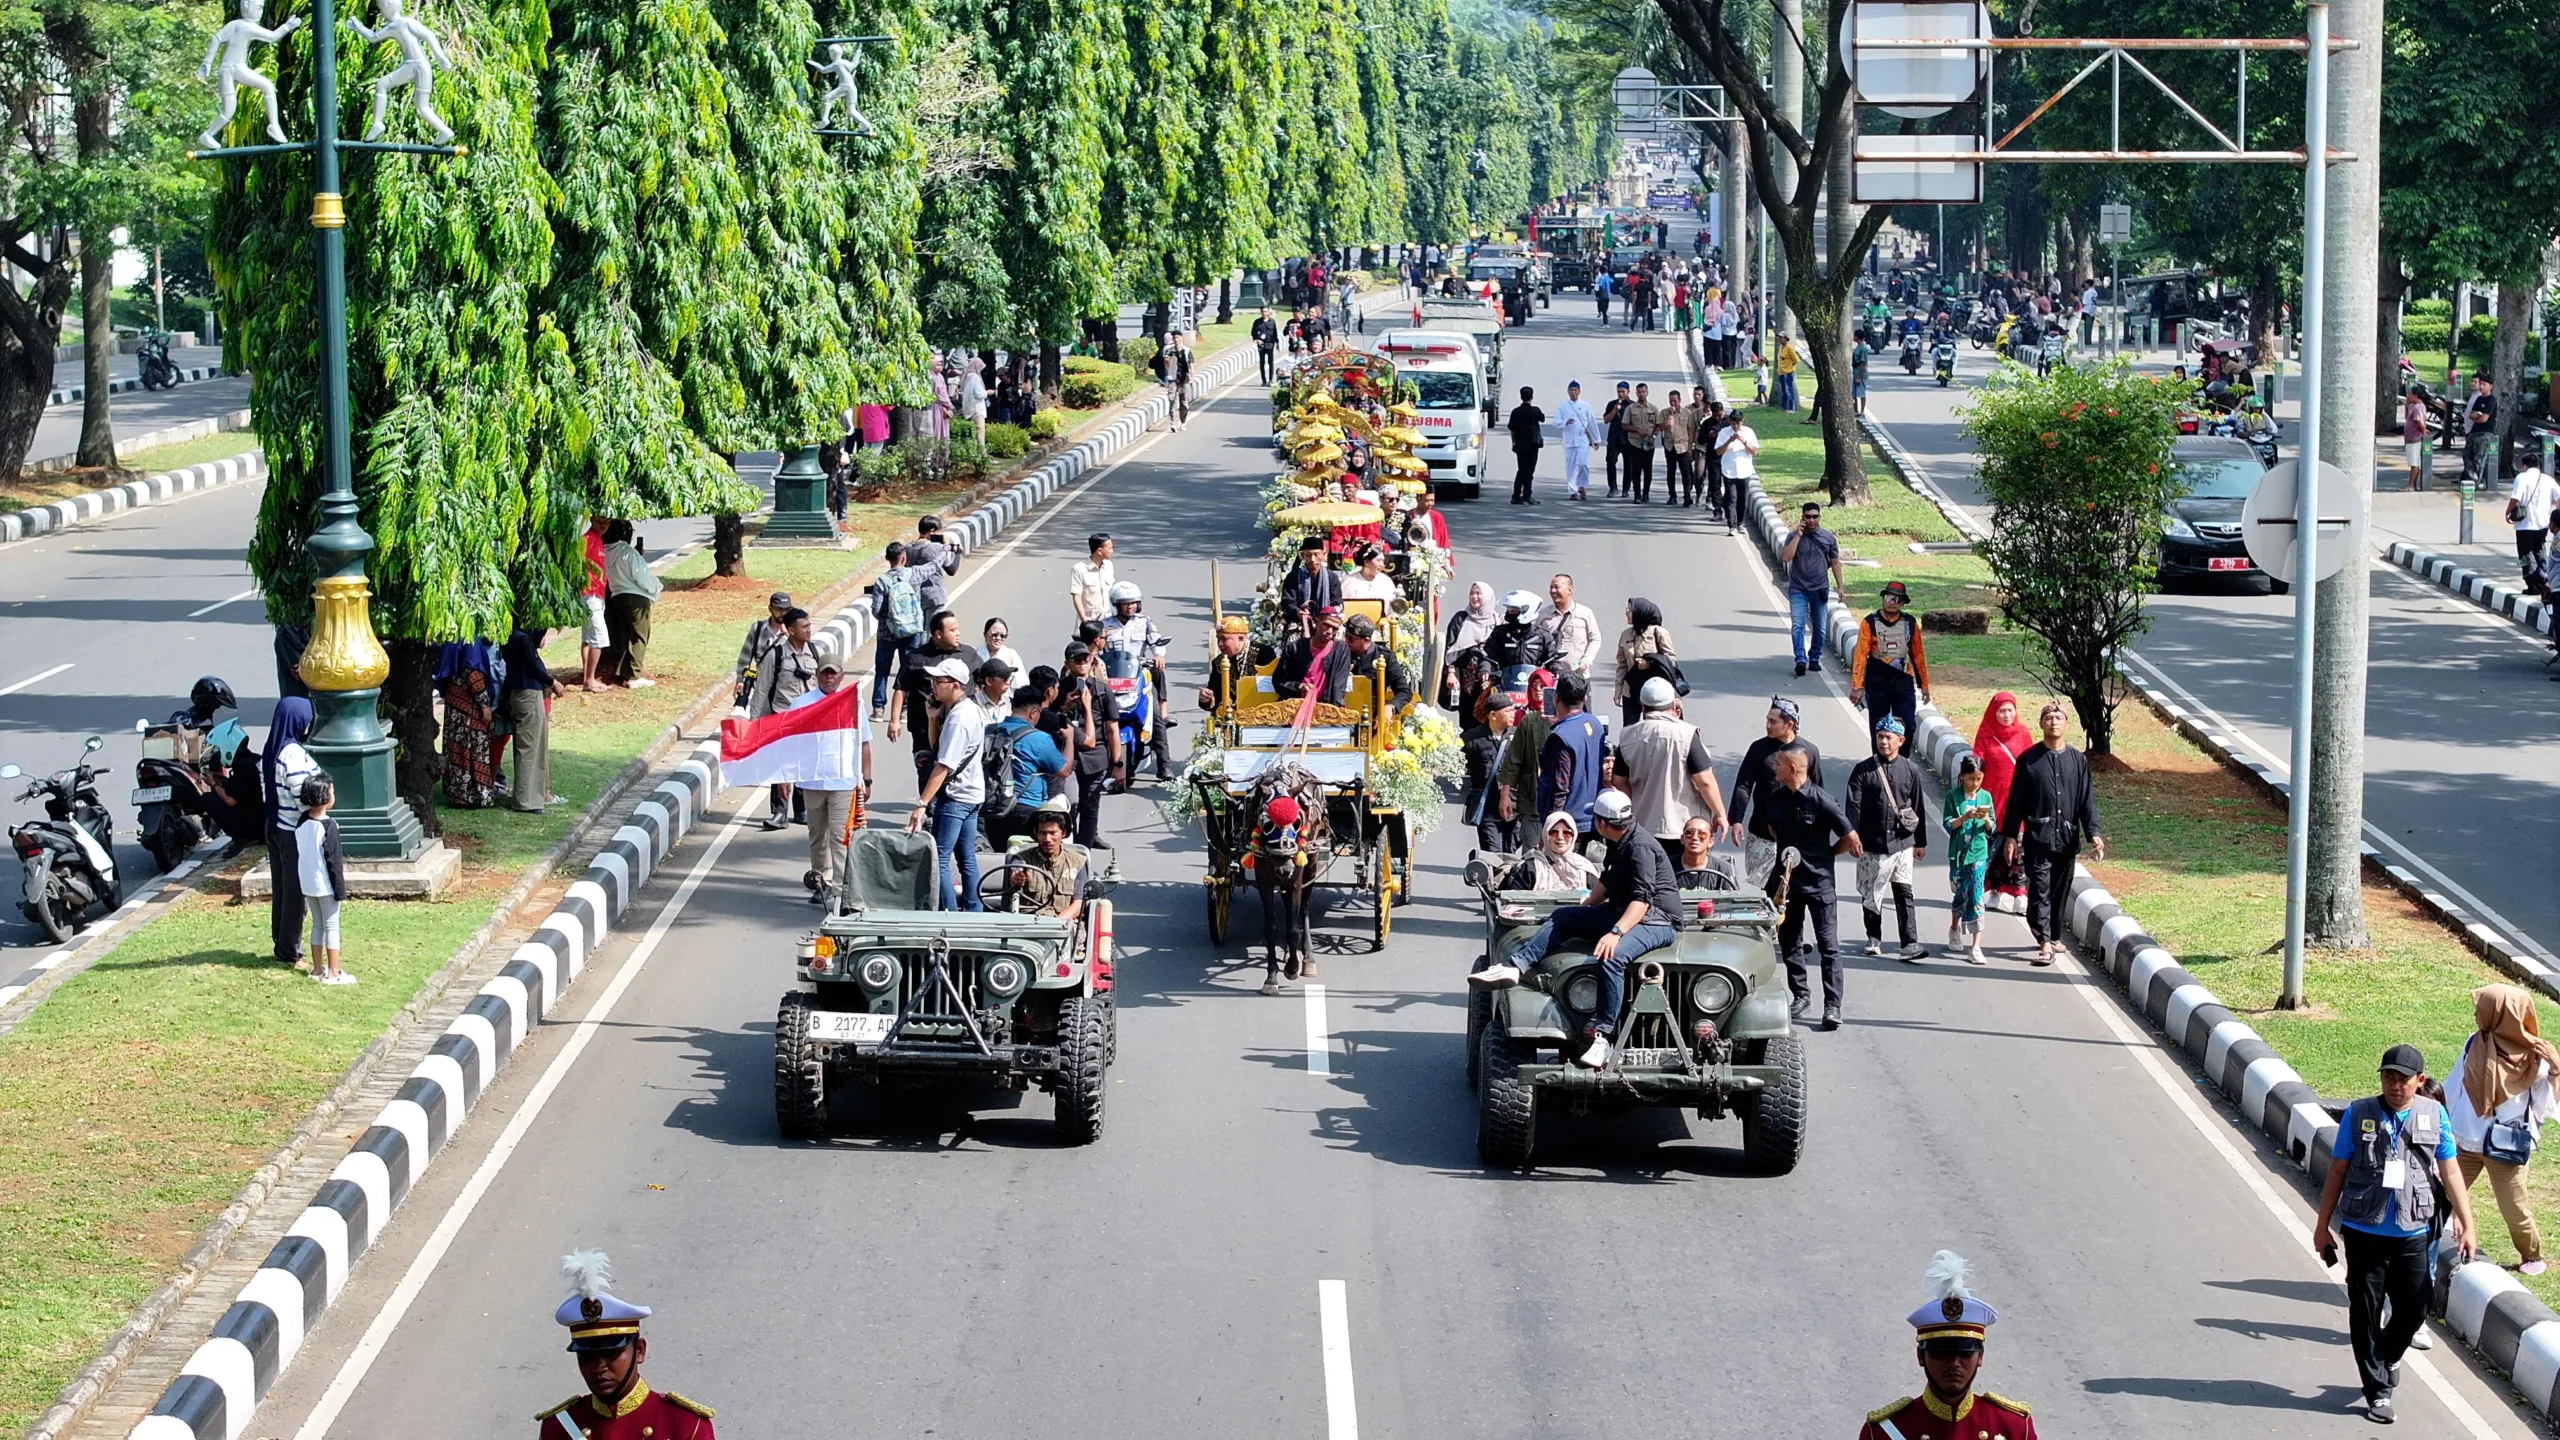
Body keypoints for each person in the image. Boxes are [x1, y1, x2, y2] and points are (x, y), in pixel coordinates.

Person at [2312, 1044, 2478, 1425]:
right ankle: (2378, 1391)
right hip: (2364, 1231)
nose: (2395, 1085)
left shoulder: (2434, 1115)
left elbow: (2450, 1171)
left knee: (2417, 1305)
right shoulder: (2358, 1114)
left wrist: (2468, 1223)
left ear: (2420, 1081)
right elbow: (2337, 1171)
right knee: (2364, 1311)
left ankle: (2387, 1353)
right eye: (2388, 1076)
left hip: (2413, 1230)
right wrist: (2322, 1227)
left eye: (2403, 1079)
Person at [1469, 789, 1678, 1069]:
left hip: (1657, 920)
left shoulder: (1640, 848)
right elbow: (1607, 881)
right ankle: (1516, 967)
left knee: (1612, 957)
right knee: (1564, 917)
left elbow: (1642, 901)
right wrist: (1586, 908)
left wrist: (1615, 933)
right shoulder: (1620, 839)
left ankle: (1603, 1038)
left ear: (1601, 823)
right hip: (1623, 911)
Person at [1857, 1251, 2037, 1440]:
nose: (1954, 1363)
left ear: (1980, 1356)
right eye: (1941, 1353)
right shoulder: (1884, 1432)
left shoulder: (2014, 1428)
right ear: (1920, 1356)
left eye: (1965, 1352)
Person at [539, 1250, 717, 1440]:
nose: (599, 1367)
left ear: (639, 1351)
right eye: (587, 1357)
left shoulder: (685, 1425)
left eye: (611, 1354)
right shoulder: (559, 1427)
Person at [2446, 984, 2559, 1276]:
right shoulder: (2475, 1042)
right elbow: (2454, 1086)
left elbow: (2546, 1105)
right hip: (2466, 1138)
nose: (2476, 1015)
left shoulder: (2535, 1055)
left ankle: (2532, 1255)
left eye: (2481, 1009)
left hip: (2505, 1146)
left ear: (2500, 1014)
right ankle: (2430, 1239)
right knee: (2442, 1194)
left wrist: (2556, 1068)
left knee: (2514, 1208)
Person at [1748, 745, 1860, 1029]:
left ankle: (1832, 1005)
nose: (1774, 768)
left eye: (1779, 764)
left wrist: (1827, 854)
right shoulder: (1776, 798)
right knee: (1789, 940)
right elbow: (1773, 829)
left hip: (1819, 883)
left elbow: (1850, 837)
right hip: (1787, 885)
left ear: (1794, 768)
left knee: (1828, 944)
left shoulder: (1822, 801)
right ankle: (1800, 994)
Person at [1997, 701, 2105, 965]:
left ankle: (2054, 936)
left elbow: (2086, 800)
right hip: (2038, 838)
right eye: (2048, 717)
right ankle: (2044, 941)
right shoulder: (2028, 760)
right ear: (2041, 724)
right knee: (2040, 890)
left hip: (2067, 840)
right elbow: (2016, 802)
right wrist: (2010, 836)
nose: (2054, 721)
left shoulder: (2077, 760)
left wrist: (2093, 833)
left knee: (2059, 891)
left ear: (2067, 724)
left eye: (2058, 717)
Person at [1611, 677, 1727, 863]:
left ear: (1643, 707)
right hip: (1684, 830)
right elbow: (1705, 781)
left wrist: (1639, 800)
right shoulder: (1686, 734)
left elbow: (1618, 781)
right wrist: (1720, 814)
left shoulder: (1627, 736)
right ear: (1674, 705)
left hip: (1642, 827)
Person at [903, 656, 988, 910]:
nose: (933, 686)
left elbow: (943, 765)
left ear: (956, 685)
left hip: (956, 797)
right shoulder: (962, 709)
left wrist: (921, 804)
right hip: (971, 794)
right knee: (966, 858)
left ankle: (950, 914)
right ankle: (974, 911)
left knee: (939, 859)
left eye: (939, 681)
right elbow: (938, 748)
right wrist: (933, 718)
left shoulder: (960, 718)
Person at [1847, 715, 1928, 962]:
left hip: (1903, 844)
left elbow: (1918, 807)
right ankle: (1873, 938)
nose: (1883, 742)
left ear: (1900, 741)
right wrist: (1852, 837)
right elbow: (1853, 807)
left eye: (1888, 737)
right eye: (1880, 736)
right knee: (1872, 893)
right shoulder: (1862, 771)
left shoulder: (1911, 770)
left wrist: (1920, 842)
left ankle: (1910, 943)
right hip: (1872, 845)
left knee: (1904, 893)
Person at [1730, 698, 1822, 886]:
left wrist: (1818, 833)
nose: (1768, 726)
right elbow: (1744, 785)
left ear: (1790, 725)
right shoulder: (1758, 749)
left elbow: (1818, 793)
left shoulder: (1809, 751)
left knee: (1791, 892)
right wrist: (1737, 820)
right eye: (1767, 720)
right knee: (1759, 889)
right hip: (1762, 834)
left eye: (1773, 722)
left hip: (1797, 838)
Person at [888, 609, 981, 787]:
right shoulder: (916, 658)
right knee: (926, 770)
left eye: (958, 629)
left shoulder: (969, 655)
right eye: (952, 630)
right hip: (923, 727)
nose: (958, 633)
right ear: (938, 634)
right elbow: (901, 688)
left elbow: (982, 682)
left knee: (954, 771)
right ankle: (927, 801)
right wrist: (894, 720)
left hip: (958, 726)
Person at [261, 696, 321, 967]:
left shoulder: (271, 748)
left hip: (275, 827)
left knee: (282, 888)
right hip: (292, 832)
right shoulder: (293, 754)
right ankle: (289, 949)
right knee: (296, 893)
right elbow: (303, 798)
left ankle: (281, 939)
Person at [748, 607, 820, 829]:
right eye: (804, 627)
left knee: (804, 764)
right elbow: (761, 690)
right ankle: (779, 812)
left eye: (809, 625)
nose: (809, 630)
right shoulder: (775, 655)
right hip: (782, 719)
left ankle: (801, 809)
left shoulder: (815, 653)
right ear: (791, 630)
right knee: (780, 766)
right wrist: (755, 724)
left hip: (809, 720)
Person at [1971, 692, 2032, 915]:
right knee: (1992, 848)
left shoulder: (2023, 734)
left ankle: (2020, 895)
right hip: (1992, 800)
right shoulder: (1985, 735)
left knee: (2018, 848)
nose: (2007, 715)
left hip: (2018, 800)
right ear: (1993, 712)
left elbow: (2031, 764)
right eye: (2002, 711)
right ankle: (1994, 891)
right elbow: (1977, 766)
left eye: (2010, 710)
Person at [1850, 580, 1932, 741]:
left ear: (1903, 603)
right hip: (1877, 681)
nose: (1892, 602)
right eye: (1889, 598)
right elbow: (1860, 655)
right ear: (1883, 598)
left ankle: (1902, 756)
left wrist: (1924, 685)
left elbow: (1917, 654)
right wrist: (1857, 686)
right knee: (1878, 728)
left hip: (1902, 682)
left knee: (1908, 726)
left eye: (1897, 599)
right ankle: (1879, 757)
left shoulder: (1910, 623)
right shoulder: (1869, 622)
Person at [1057, 641, 1119, 850]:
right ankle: (1068, 848)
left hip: (1096, 758)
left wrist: (1118, 764)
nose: (1082, 663)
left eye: (1086, 658)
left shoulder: (1102, 690)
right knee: (1071, 805)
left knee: (1090, 806)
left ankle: (1084, 852)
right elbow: (1050, 718)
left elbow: (1113, 729)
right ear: (1068, 663)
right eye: (1077, 659)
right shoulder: (1059, 689)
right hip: (1068, 758)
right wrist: (1065, 705)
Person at [501, 626, 565, 814]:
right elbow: (533, 667)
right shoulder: (522, 640)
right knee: (529, 748)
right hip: (528, 695)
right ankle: (526, 800)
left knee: (530, 746)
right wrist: (553, 682)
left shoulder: (512, 637)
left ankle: (534, 796)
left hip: (519, 695)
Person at [294, 774, 351, 985]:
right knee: (332, 925)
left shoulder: (302, 820)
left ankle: (318, 969)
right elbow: (334, 861)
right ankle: (334, 971)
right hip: (325, 884)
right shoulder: (329, 826)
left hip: (307, 882)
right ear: (325, 796)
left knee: (317, 925)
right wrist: (340, 890)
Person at [435, 639, 507, 808]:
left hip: (454, 703)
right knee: (474, 748)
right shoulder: (470, 642)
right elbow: (473, 674)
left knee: (457, 748)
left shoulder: (451, 640)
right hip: (469, 706)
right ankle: (475, 794)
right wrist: (484, 704)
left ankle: (458, 793)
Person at [1538, 672, 1606, 839]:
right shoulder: (1595, 724)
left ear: (1556, 697)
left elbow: (1560, 787)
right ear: (1585, 698)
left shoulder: (1560, 738)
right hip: (1595, 819)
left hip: (1568, 827)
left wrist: (1552, 829)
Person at [1780, 503, 1844, 677]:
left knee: (1820, 628)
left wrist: (1840, 587)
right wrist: (1798, 536)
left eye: (1815, 517)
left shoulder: (1828, 537)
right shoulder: (1793, 536)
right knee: (1797, 626)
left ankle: (1814, 657)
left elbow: (1835, 562)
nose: (1811, 520)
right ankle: (1800, 659)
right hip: (1798, 589)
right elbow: (1786, 557)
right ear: (1803, 517)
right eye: (1808, 517)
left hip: (1820, 588)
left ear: (1819, 518)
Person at [1943, 755, 1995, 964]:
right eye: (1971, 778)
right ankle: (1954, 928)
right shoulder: (1953, 797)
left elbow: (1992, 828)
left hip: (1978, 854)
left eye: (1979, 779)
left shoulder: (1986, 797)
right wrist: (1964, 817)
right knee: (1960, 894)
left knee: (1976, 895)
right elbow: (1948, 824)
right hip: (1958, 855)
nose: (1975, 783)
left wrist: (1986, 819)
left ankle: (1975, 946)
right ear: (1962, 776)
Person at [1003, 801, 1089, 920]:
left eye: (1053, 833)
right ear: (1036, 833)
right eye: (1043, 833)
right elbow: (1016, 873)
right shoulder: (1022, 859)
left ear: (1063, 833)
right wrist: (1018, 877)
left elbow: (1078, 904)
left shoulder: (1077, 862)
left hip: (1063, 924)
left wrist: (1056, 923)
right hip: (1027, 922)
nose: (1047, 839)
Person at [601, 519, 660, 688]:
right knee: (639, 635)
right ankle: (634, 676)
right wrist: (655, 588)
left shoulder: (604, 552)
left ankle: (624, 672)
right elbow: (642, 578)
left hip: (617, 596)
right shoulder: (629, 553)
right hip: (636, 598)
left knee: (626, 635)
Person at [1462, 690, 1520, 852]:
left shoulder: (1518, 736)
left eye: (1513, 710)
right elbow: (1454, 762)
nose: (1513, 714)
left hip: (1514, 809)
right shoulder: (1472, 739)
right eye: (1508, 711)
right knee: (1493, 855)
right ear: (1493, 715)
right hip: (1487, 809)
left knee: (1511, 854)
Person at [1613, 597, 1675, 729]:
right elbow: (1622, 665)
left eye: (1630, 610)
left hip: (1654, 691)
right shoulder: (1625, 635)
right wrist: (1618, 689)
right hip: (1631, 690)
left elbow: (1670, 660)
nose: (1626, 613)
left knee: (1653, 727)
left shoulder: (1659, 633)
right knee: (1629, 729)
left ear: (1640, 612)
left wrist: (1650, 664)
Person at [1275, 607, 1352, 706]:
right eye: (1326, 625)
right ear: (1317, 622)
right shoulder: (1294, 648)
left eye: (1335, 628)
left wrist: (1334, 711)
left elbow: (1338, 687)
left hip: (1324, 708)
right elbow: (1279, 681)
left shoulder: (1340, 650)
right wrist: (1299, 687)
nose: (1330, 631)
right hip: (1295, 705)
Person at [2507, 463, 2560, 598]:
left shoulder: (2521, 477)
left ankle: (2531, 583)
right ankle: (2543, 578)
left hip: (2524, 525)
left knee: (2524, 555)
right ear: (2538, 466)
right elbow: (2558, 498)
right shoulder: (2548, 479)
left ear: (2524, 466)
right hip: (2543, 524)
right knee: (2540, 550)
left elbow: (2515, 498)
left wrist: (2508, 512)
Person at [1536, 573, 1601, 680]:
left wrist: (1586, 660)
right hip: (1550, 676)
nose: (1552, 591)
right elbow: (1534, 640)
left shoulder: (1585, 613)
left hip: (1578, 675)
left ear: (1569, 590)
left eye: (1556, 587)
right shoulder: (1542, 615)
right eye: (1551, 588)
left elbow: (1595, 639)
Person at [733, 591, 794, 706]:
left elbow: (803, 654)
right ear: (770, 609)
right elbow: (744, 657)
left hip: (786, 691)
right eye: (779, 609)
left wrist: (789, 635)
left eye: (786, 610)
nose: (783, 613)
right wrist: (740, 680)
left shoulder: (794, 630)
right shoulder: (758, 628)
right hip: (761, 689)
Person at [1342, 614, 1414, 710]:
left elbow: (1404, 691)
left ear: (1366, 640)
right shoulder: (1341, 653)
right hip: (1343, 711)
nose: (1346, 640)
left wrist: (1391, 707)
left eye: (1351, 639)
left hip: (1373, 713)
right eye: (1345, 635)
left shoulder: (1385, 657)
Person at [1711, 404, 1758, 533]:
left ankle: (1740, 523)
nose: (1735, 426)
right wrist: (1729, 441)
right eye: (1733, 423)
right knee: (1731, 497)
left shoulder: (1748, 432)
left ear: (1742, 422)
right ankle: (1731, 525)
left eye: (1738, 423)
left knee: (1742, 498)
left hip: (1744, 470)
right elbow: (1718, 451)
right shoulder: (1724, 432)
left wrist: (1745, 442)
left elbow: (1754, 451)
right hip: (1729, 470)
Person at [1279, 536, 1341, 632]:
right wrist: (1298, 612)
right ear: (1302, 556)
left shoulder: (1332, 578)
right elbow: (1287, 603)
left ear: (1324, 554)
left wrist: (1326, 615)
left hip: (1326, 625)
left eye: (1316, 554)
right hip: (1299, 624)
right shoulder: (1293, 577)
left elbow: (1337, 604)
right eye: (1308, 555)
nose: (1312, 559)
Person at [578, 518, 610, 692]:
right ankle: (590, 679)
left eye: (608, 521)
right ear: (592, 519)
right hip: (590, 594)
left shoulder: (597, 539)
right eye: (600, 521)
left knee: (588, 638)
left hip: (596, 594)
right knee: (599, 637)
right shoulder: (587, 539)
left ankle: (587, 678)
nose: (604, 524)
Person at [1199, 614, 1253, 714]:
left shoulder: (1262, 654)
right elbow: (1215, 694)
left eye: (1224, 639)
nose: (1220, 644)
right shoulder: (1218, 662)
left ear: (1241, 639)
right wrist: (1206, 698)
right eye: (1218, 639)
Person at [1554, 380, 1597, 501]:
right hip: (1569, 440)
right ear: (1568, 392)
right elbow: (1555, 422)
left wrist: (1596, 439)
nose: (1573, 392)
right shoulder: (1563, 406)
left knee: (1583, 464)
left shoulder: (1585, 405)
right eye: (1571, 390)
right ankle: (1573, 491)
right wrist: (1565, 422)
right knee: (1571, 466)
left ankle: (1582, 485)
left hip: (1582, 439)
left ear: (1579, 391)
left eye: (1575, 390)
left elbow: (1592, 422)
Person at [1621, 382, 1661, 502]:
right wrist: (1637, 430)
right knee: (1636, 470)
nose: (1641, 394)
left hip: (1649, 443)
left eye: (1643, 392)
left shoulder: (1653, 409)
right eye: (1639, 392)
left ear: (1647, 392)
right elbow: (1625, 425)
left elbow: (1658, 425)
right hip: (1635, 443)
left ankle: (1646, 494)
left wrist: (1653, 436)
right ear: (1636, 393)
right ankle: (1637, 495)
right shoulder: (1630, 408)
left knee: (1648, 470)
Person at [1662, 389, 1703, 506]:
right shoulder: (1664, 412)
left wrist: (1690, 447)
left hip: (1683, 446)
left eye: (1675, 401)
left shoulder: (1687, 413)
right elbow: (1660, 427)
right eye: (1671, 401)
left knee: (1686, 472)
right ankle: (1672, 495)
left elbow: (1691, 431)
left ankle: (1687, 496)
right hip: (1670, 446)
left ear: (1679, 400)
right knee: (1671, 472)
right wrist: (1669, 417)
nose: (1673, 403)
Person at [1506, 386, 1545, 505]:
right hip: (1532, 445)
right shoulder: (1535, 411)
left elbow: (1512, 429)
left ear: (1521, 397)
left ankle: (1516, 495)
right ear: (1532, 397)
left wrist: (1513, 442)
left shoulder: (1515, 412)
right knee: (1529, 471)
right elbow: (1542, 418)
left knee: (1521, 470)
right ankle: (1527, 495)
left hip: (1520, 445)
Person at [2465, 372, 2499, 488]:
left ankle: (2476, 482)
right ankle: (2471, 476)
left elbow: (2484, 418)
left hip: (2485, 433)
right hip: (2474, 431)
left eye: (2484, 384)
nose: (2481, 386)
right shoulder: (2479, 399)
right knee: (2466, 455)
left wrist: (2478, 417)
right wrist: (2476, 416)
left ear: (2490, 386)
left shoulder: (2492, 400)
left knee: (2479, 459)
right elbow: (2471, 415)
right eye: (2480, 384)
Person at [1602, 380, 1631, 497]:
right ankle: (1613, 488)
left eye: (1623, 392)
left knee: (1629, 464)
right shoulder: (1611, 404)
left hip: (1628, 439)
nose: (1621, 394)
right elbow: (1606, 420)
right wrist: (1614, 410)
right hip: (1614, 438)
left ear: (1628, 392)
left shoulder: (1632, 405)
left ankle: (1626, 489)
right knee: (1611, 462)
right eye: (1619, 392)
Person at [2403, 386, 2430, 491]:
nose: (2409, 396)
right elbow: (2407, 417)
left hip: (2415, 438)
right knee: (2412, 462)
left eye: (2410, 394)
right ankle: (2411, 484)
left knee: (2414, 462)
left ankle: (2411, 485)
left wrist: (2423, 429)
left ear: (2415, 395)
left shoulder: (2418, 407)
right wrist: (2406, 405)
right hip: (2411, 438)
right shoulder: (2415, 406)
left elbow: (2419, 421)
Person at [1774, 333, 1801, 411]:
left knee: (1788, 390)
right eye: (1779, 337)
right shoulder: (1780, 347)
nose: (1779, 339)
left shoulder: (1789, 348)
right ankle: (1784, 407)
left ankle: (1791, 408)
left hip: (1788, 372)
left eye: (1781, 337)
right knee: (1783, 391)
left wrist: (1789, 367)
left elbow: (1795, 360)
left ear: (1786, 338)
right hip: (1781, 372)